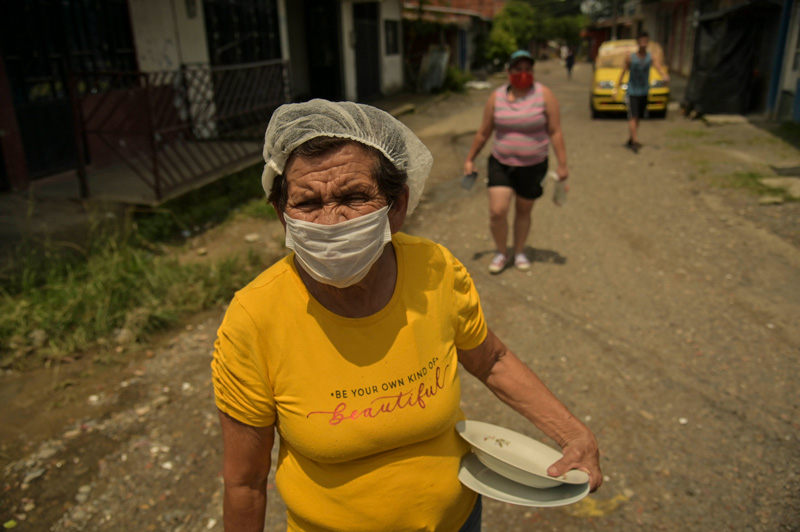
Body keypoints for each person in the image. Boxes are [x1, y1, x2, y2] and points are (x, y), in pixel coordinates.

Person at [212, 99, 602, 532]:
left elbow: (490, 359)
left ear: (397, 206)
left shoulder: (435, 270)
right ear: (282, 215)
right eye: (306, 203)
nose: (330, 221)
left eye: (353, 196)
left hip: (458, 520)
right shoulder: (254, 318)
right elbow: (245, 483)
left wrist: (573, 434)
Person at [463, 50, 569, 274]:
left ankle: (519, 250)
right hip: (501, 163)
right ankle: (502, 252)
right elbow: (484, 132)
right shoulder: (496, 97)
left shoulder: (544, 95)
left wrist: (562, 164)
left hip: (534, 166)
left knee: (523, 211)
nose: (523, 74)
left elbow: (555, 131)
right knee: (497, 211)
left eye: (527, 69)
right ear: (508, 72)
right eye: (518, 69)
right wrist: (470, 158)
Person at [616, 32, 669, 153]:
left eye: (646, 40)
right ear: (638, 42)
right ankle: (634, 141)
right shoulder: (631, 57)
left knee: (638, 116)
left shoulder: (651, 57)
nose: (644, 43)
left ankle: (631, 138)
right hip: (632, 91)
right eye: (642, 40)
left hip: (644, 90)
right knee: (633, 116)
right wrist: (617, 86)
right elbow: (623, 70)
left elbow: (658, 67)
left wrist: (664, 76)